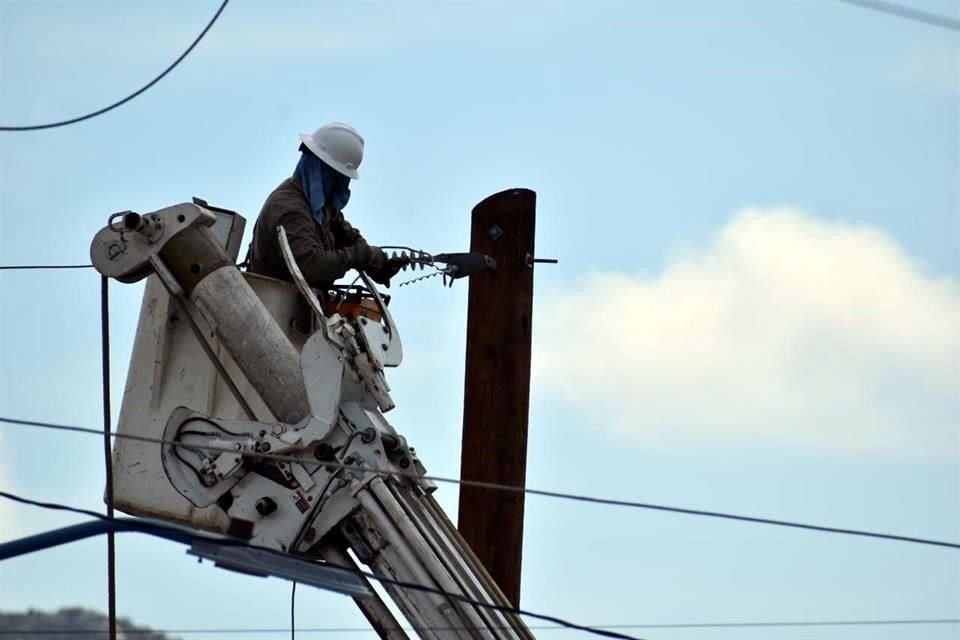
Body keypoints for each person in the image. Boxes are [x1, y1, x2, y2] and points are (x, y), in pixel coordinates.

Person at [246, 122, 405, 290]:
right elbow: (311, 266)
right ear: (318, 166)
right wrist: (357, 256)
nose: (338, 183)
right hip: (271, 301)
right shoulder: (288, 207)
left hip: (303, 301)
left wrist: (375, 261)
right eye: (335, 175)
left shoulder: (320, 207)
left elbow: (348, 236)